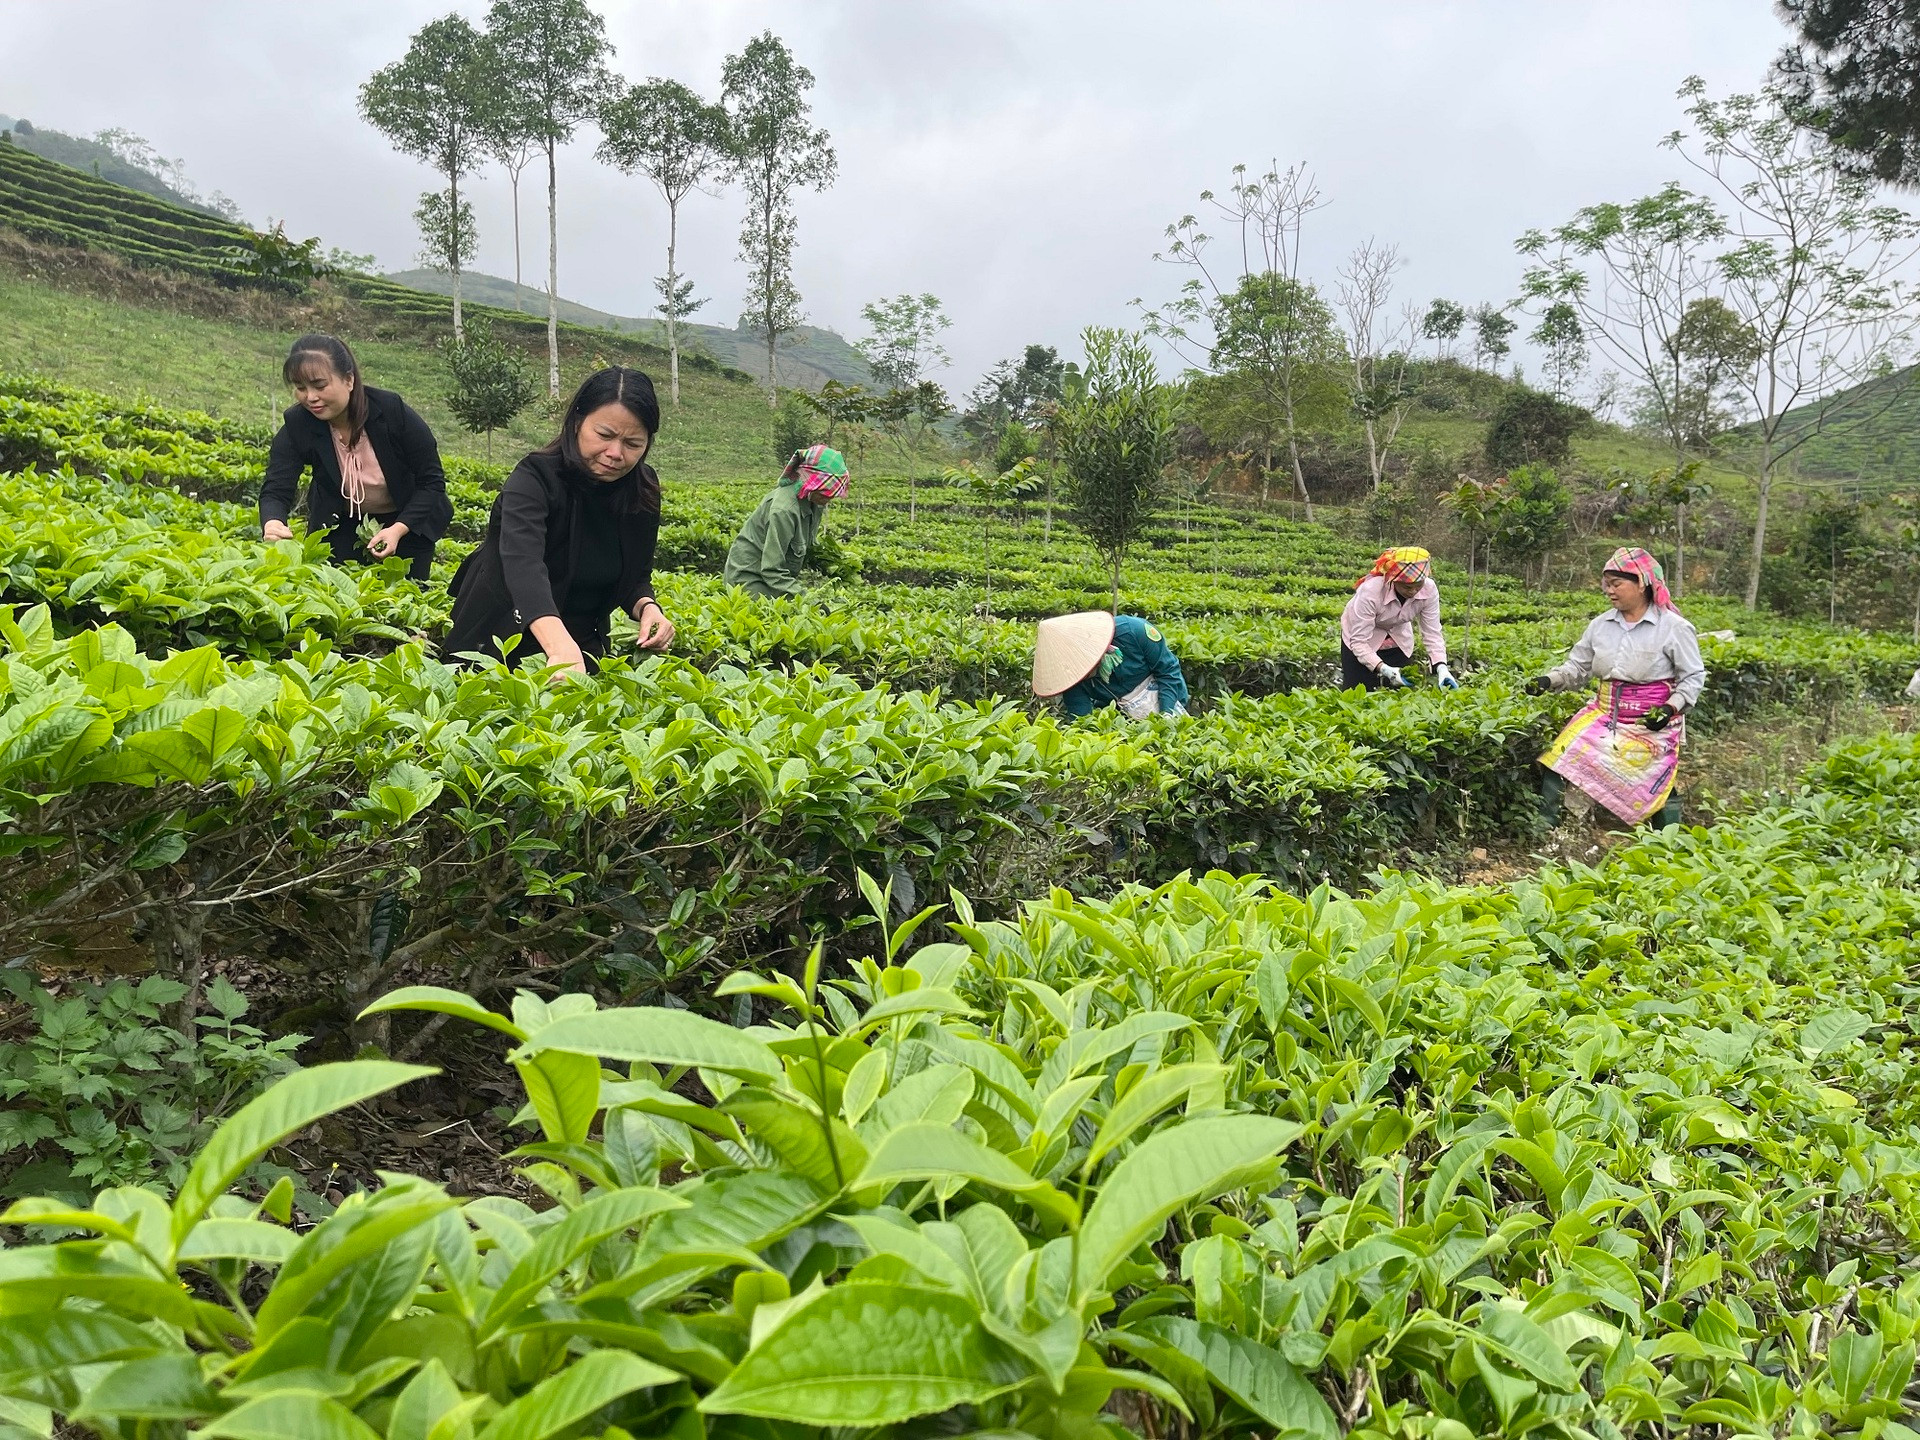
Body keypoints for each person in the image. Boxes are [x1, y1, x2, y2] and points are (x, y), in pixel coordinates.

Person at [444, 367, 675, 674]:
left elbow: (634, 578)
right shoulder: (534, 477)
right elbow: (523, 566)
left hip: (579, 644)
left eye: (633, 443)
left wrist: (648, 608)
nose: (615, 453)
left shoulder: (641, 490)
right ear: (577, 422)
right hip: (496, 641)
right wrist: (558, 646)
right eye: (604, 435)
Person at [1528, 547, 1706, 829]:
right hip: (1605, 711)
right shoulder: (1600, 626)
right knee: (1559, 757)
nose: (1609, 591)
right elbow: (1578, 667)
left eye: (1616, 584)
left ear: (1642, 584)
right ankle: (1542, 827)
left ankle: (1669, 840)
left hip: (1651, 720)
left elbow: (1693, 677)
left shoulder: (1674, 628)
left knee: (1655, 780)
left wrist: (1669, 708)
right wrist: (1549, 681)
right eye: (1606, 584)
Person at [260, 334, 452, 581]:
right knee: (333, 592)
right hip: (341, 522)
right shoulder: (299, 424)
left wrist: (397, 530)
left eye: (319, 386)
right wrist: (273, 521)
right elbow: (276, 487)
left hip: (406, 522)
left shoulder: (392, 411)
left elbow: (431, 481)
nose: (310, 397)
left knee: (403, 596)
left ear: (349, 380)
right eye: (300, 388)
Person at [723, 444, 849, 598]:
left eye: (832, 494)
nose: (828, 498)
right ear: (810, 483)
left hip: (773, 577)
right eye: (824, 493)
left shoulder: (815, 502)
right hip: (749, 578)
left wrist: (833, 564)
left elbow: (805, 545)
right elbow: (772, 570)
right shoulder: (784, 510)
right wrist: (807, 599)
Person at [1340, 546, 1458, 691]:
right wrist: (1383, 669)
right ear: (1393, 580)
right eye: (1407, 587)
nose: (1413, 591)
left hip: (1397, 638)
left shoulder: (1429, 589)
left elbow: (1432, 633)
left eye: (1418, 585)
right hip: (1361, 638)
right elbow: (1358, 642)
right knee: (1359, 690)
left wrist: (1441, 667)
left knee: (1400, 691)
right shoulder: (1371, 591)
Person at [1032, 611, 1190, 719]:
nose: (1083, 673)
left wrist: (1167, 714)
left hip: (1167, 698)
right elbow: (1081, 721)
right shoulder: (1073, 681)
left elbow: (1167, 672)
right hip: (1124, 717)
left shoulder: (1134, 631)